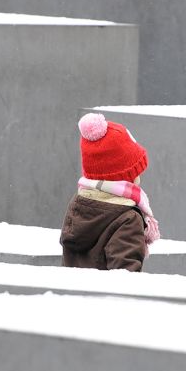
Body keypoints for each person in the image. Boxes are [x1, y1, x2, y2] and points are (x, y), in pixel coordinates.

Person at [60, 112, 160, 271]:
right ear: (126, 176)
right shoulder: (127, 218)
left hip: (75, 294)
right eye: (136, 170)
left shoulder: (78, 205)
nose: (140, 175)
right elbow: (125, 277)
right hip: (106, 296)